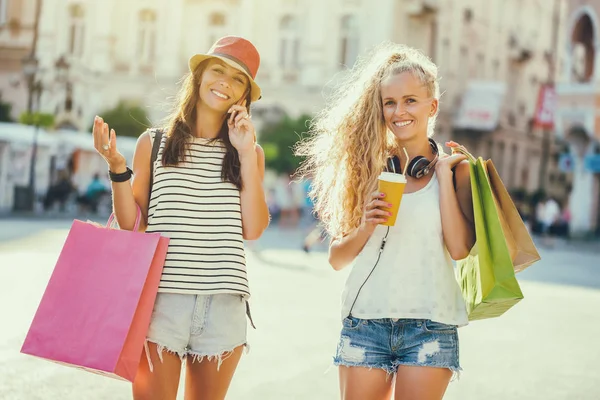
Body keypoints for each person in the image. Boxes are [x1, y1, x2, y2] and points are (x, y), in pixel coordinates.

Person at [92, 36, 270, 400]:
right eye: (218, 71)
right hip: (160, 304)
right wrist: (117, 169)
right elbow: (133, 225)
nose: (225, 83)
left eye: (238, 79)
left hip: (223, 305)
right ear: (200, 76)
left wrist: (247, 154)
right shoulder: (153, 143)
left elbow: (253, 229)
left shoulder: (249, 153)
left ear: (244, 96)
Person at [297, 42, 475, 399]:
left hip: (430, 325)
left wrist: (441, 176)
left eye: (410, 100)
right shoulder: (367, 167)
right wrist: (367, 224)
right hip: (365, 323)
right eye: (390, 102)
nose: (399, 111)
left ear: (432, 106)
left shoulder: (458, 171)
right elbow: (337, 259)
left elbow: (458, 250)